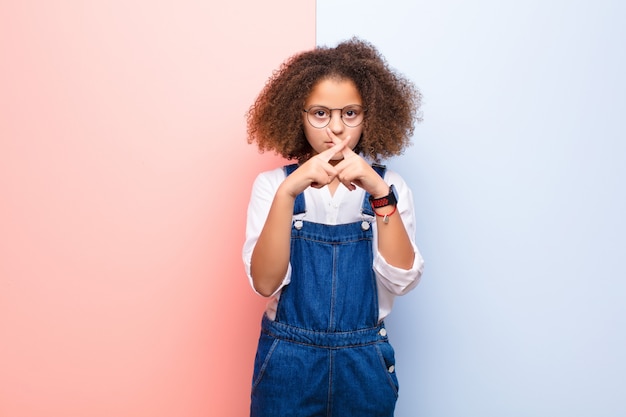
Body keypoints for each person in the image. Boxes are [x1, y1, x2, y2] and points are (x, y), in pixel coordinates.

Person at [242, 37, 424, 417]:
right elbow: (264, 283)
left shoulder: (392, 188)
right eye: (321, 113)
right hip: (288, 362)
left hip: (364, 363)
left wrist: (378, 191)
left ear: (369, 116)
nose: (336, 129)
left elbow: (402, 281)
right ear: (299, 114)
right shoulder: (273, 186)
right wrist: (289, 192)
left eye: (351, 113)